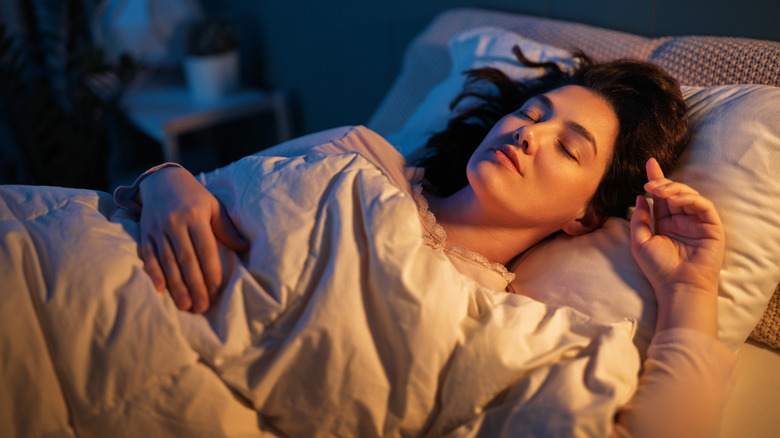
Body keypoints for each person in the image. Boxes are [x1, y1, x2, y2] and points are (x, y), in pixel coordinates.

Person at [114, 49, 735, 436]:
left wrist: (690, 288)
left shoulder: (504, 324)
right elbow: (189, 190)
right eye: (534, 115)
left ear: (582, 217)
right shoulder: (358, 154)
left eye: (568, 148)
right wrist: (164, 182)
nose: (527, 135)